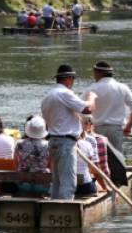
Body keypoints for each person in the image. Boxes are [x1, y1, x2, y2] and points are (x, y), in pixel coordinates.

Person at [40, 64, 96, 200]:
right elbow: (87, 110)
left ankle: (54, 207)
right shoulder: (64, 93)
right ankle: (65, 209)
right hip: (65, 142)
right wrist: (92, 98)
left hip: (53, 140)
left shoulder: (48, 96)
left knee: (57, 182)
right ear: (69, 78)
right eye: (73, 79)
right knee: (68, 183)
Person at [83, 61, 132, 185]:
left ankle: (100, 184)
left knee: (97, 160)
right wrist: (128, 127)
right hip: (116, 130)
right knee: (117, 161)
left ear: (98, 73)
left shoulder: (91, 89)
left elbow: (81, 109)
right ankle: (116, 185)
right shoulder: (122, 88)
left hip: (96, 130)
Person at [13, 116, 51, 196]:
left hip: (23, 184)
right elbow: (50, 164)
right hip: (43, 185)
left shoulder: (19, 143)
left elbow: (16, 163)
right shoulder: (48, 145)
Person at [74, 126, 100, 197]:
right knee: (94, 183)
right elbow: (90, 166)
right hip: (86, 185)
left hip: (69, 186)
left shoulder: (63, 145)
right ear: (83, 134)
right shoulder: (87, 144)